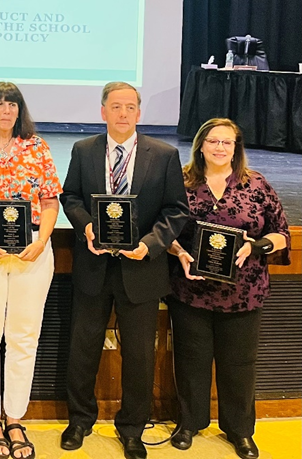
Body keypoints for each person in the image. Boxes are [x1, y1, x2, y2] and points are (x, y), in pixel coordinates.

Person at [59, 82, 188, 459]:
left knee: (139, 355)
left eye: (130, 107)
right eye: (116, 106)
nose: (123, 113)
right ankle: (80, 419)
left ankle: (132, 427)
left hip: (141, 270)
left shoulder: (163, 155)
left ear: (139, 113)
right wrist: (86, 227)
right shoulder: (84, 150)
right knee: (83, 348)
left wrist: (149, 244)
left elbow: (176, 209)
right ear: (103, 111)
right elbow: (71, 196)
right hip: (93, 266)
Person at [165, 118, 289, 459]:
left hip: (243, 293)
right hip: (191, 289)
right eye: (213, 141)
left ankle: (240, 431)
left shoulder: (256, 184)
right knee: (190, 361)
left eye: (227, 142)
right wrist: (179, 252)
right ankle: (189, 423)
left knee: (240, 364)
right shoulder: (180, 182)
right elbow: (164, 230)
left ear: (236, 148)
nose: (219, 147)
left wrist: (256, 246)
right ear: (200, 145)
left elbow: (281, 233)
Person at [0, 82, 61, 459]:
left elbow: (49, 201)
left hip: (32, 249)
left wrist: (42, 240)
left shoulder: (37, 147)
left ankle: (15, 418)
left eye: (12, 104)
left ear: (20, 110)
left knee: (24, 337)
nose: (5, 110)